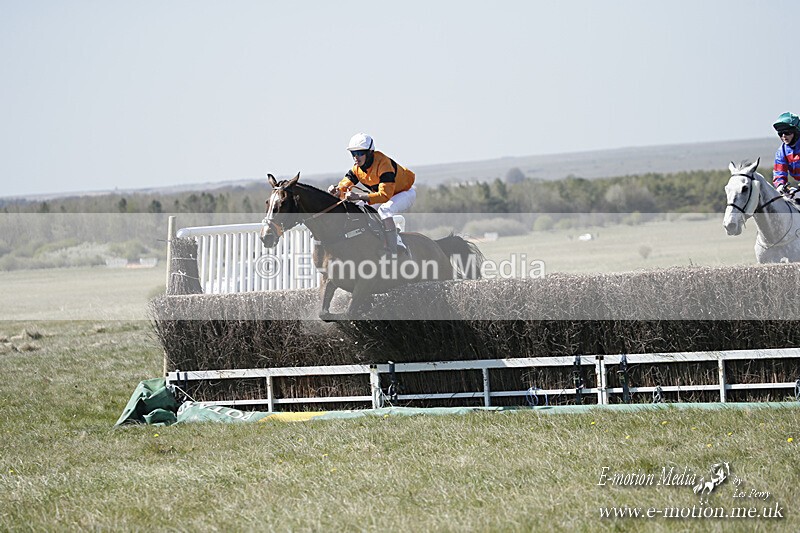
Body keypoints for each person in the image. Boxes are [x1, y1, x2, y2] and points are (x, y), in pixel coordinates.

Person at [329, 133, 416, 255]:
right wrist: (337, 190)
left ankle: (394, 248)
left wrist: (358, 196)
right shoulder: (357, 169)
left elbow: (385, 196)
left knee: (385, 210)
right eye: (353, 154)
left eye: (359, 153)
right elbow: (345, 184)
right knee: (359, 209)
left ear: (370, 153)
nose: (356, 158)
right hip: (386, 195)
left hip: (404, 193)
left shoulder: (384, 165)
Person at [772, 112, 800, 195]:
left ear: (796, 132)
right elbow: (779, 173)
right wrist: (780, 185)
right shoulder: (781, 152)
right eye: (780, 133)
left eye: (787, 132)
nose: (784, 136)